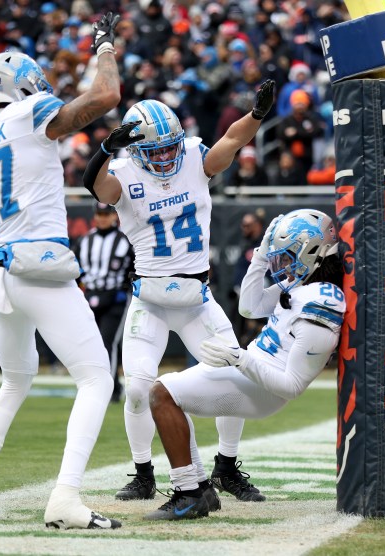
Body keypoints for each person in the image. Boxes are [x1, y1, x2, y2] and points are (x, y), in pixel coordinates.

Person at [0, 13, 123, 530]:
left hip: (0, 270)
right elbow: (105, 96)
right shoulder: (29, 113)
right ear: (24, 87)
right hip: (39, 263)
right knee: (95, 379)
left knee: (14, 382)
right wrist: (105, 46)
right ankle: (66, 498)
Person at [82, 79, 277, 506]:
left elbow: (230, 140)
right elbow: (94, 186)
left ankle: (226, 467)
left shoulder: (192, 157)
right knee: (137, 388)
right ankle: (143, 472)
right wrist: (104, 150)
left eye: (171, 146)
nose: (168, 155)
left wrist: (257, 115)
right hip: (149, 300)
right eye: (157, 150)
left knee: (234, 376)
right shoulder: (122, 173)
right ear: (133, 150)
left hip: (196, 297)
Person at [144, 209, 345, 519]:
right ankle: (201, 488)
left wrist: (240, 358)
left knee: (162, 394)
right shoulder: (304, 284)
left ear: (312, 253)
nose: (281, 264)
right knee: (169, 392)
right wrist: (261, 257)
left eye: (286, 256)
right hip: (253, 370)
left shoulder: (323, 301)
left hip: (265, 387)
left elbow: (292, 386)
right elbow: (250, 307)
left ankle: (189, 493)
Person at [74, 202, 134, 403]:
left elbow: (135, 267)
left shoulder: (125, 240)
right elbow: (75, 269)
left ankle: (113, 389)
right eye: (99, 214)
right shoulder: (85, 240)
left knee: (108, 343)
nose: (102, 218)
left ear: (114, 215)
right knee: (90, 344)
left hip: (115, 297)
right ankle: (93, 385)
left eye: (106, 214)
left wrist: (126, 288)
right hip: (90, 296)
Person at [231, 211, 267, 347]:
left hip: (260, 296)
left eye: (247, 225)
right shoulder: (245, 243)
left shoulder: (265, 244)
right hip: (243, 295)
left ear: (257, 225)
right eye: (243, 225)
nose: (243, 228)